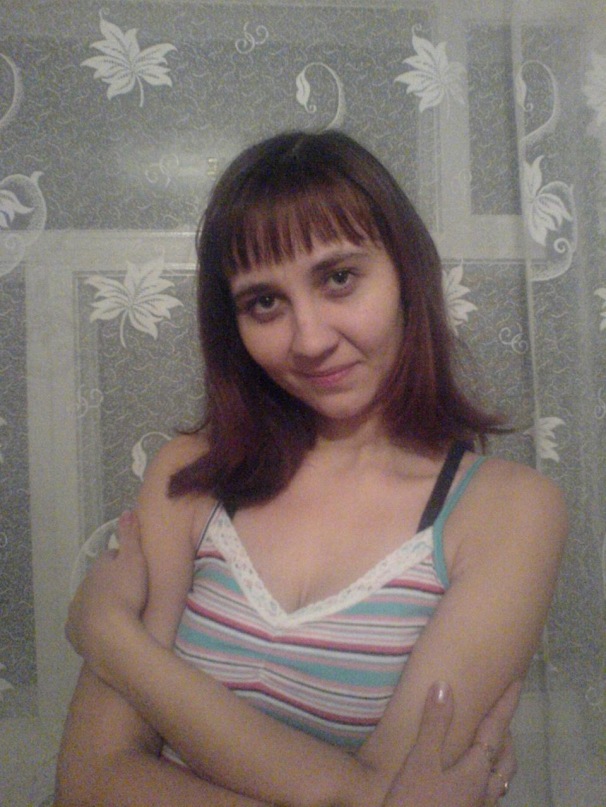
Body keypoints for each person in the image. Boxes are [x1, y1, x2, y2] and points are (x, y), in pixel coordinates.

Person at [55, 130, 567, 807]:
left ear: (406, 274)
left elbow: (382, 794)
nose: (310, 339)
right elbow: (89, 782)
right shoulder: (193, 474)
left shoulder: (508, 510)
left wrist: (116, 642)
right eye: (265, 302)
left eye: (338, 278)